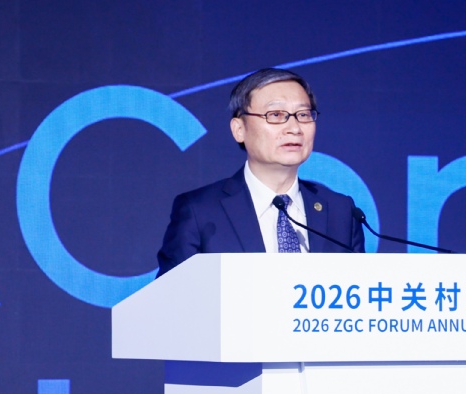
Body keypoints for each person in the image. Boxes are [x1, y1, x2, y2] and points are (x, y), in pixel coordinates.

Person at [156, 68, 365, 276]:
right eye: (276, 115)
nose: (294, 128)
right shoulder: (200, 211)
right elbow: (172, 294)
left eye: (303, 115)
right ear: (239, 129)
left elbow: (360, 291)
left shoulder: (341, 212)